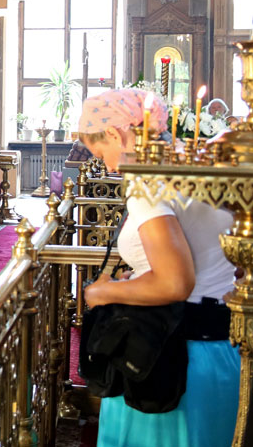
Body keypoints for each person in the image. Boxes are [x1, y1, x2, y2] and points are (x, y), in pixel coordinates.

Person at [79, 89, 240, 446]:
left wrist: (103, 291)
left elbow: (174, 283)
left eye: (101, 154)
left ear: (115, 134)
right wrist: (138, 276)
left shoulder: (146, 180)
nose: (108, 167)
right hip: (220, 350)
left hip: (168, 357)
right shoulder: (197, 162)